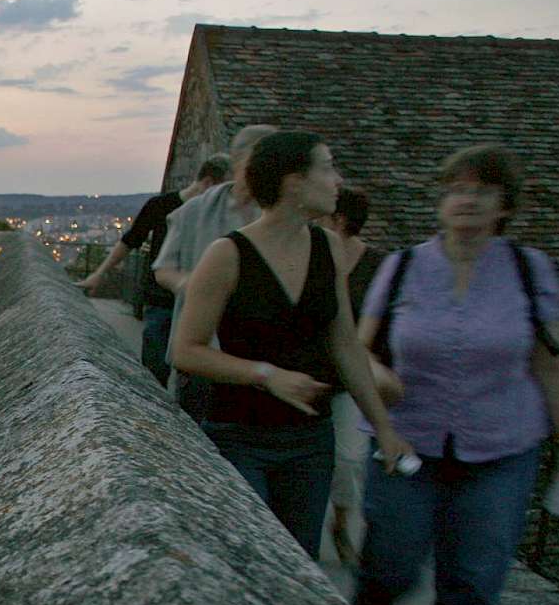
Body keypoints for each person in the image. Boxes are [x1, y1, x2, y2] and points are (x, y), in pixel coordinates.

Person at [350, 144, 559, 605]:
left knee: (474, 581)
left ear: (503, 206)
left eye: (482, 191)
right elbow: (357, 351)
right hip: (405, 442)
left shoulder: (530, 272)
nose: (467, 200)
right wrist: (381, 381)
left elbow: (552, 363)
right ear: (441, 200)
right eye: (457, 189)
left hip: (501, 450)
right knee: (389, 566)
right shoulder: (403, 266)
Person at [170, 130, 414, 558]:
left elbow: (344, 344)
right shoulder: (226, 255)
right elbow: (186, 350)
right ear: (293, 182)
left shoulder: (328, 246)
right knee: (251, 558)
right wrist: (265, 375)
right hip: (239, 436)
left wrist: (385, 428)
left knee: (298, 559)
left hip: (309, 441)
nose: (338, 180)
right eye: (328, 167)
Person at [155, 124, 278, 419]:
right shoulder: (194, 212)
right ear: (239, 161)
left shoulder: (281, 217)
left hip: (259, 356)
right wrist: (196, 286)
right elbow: (164, 269)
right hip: (203, 354)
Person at [77, 154, 231, 385]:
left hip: (194, 304)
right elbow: (131, 240)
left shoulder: (214, 214)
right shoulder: (161, 206)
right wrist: (99, 274)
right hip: (163, 302)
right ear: (208, 183)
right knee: (155, 372)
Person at [318, 186, 386, 567]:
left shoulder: (377, 266)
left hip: (349, 377)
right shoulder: (311, 253)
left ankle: (340, 522)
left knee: (347, 458)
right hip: (308, 371)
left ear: (339, 220)